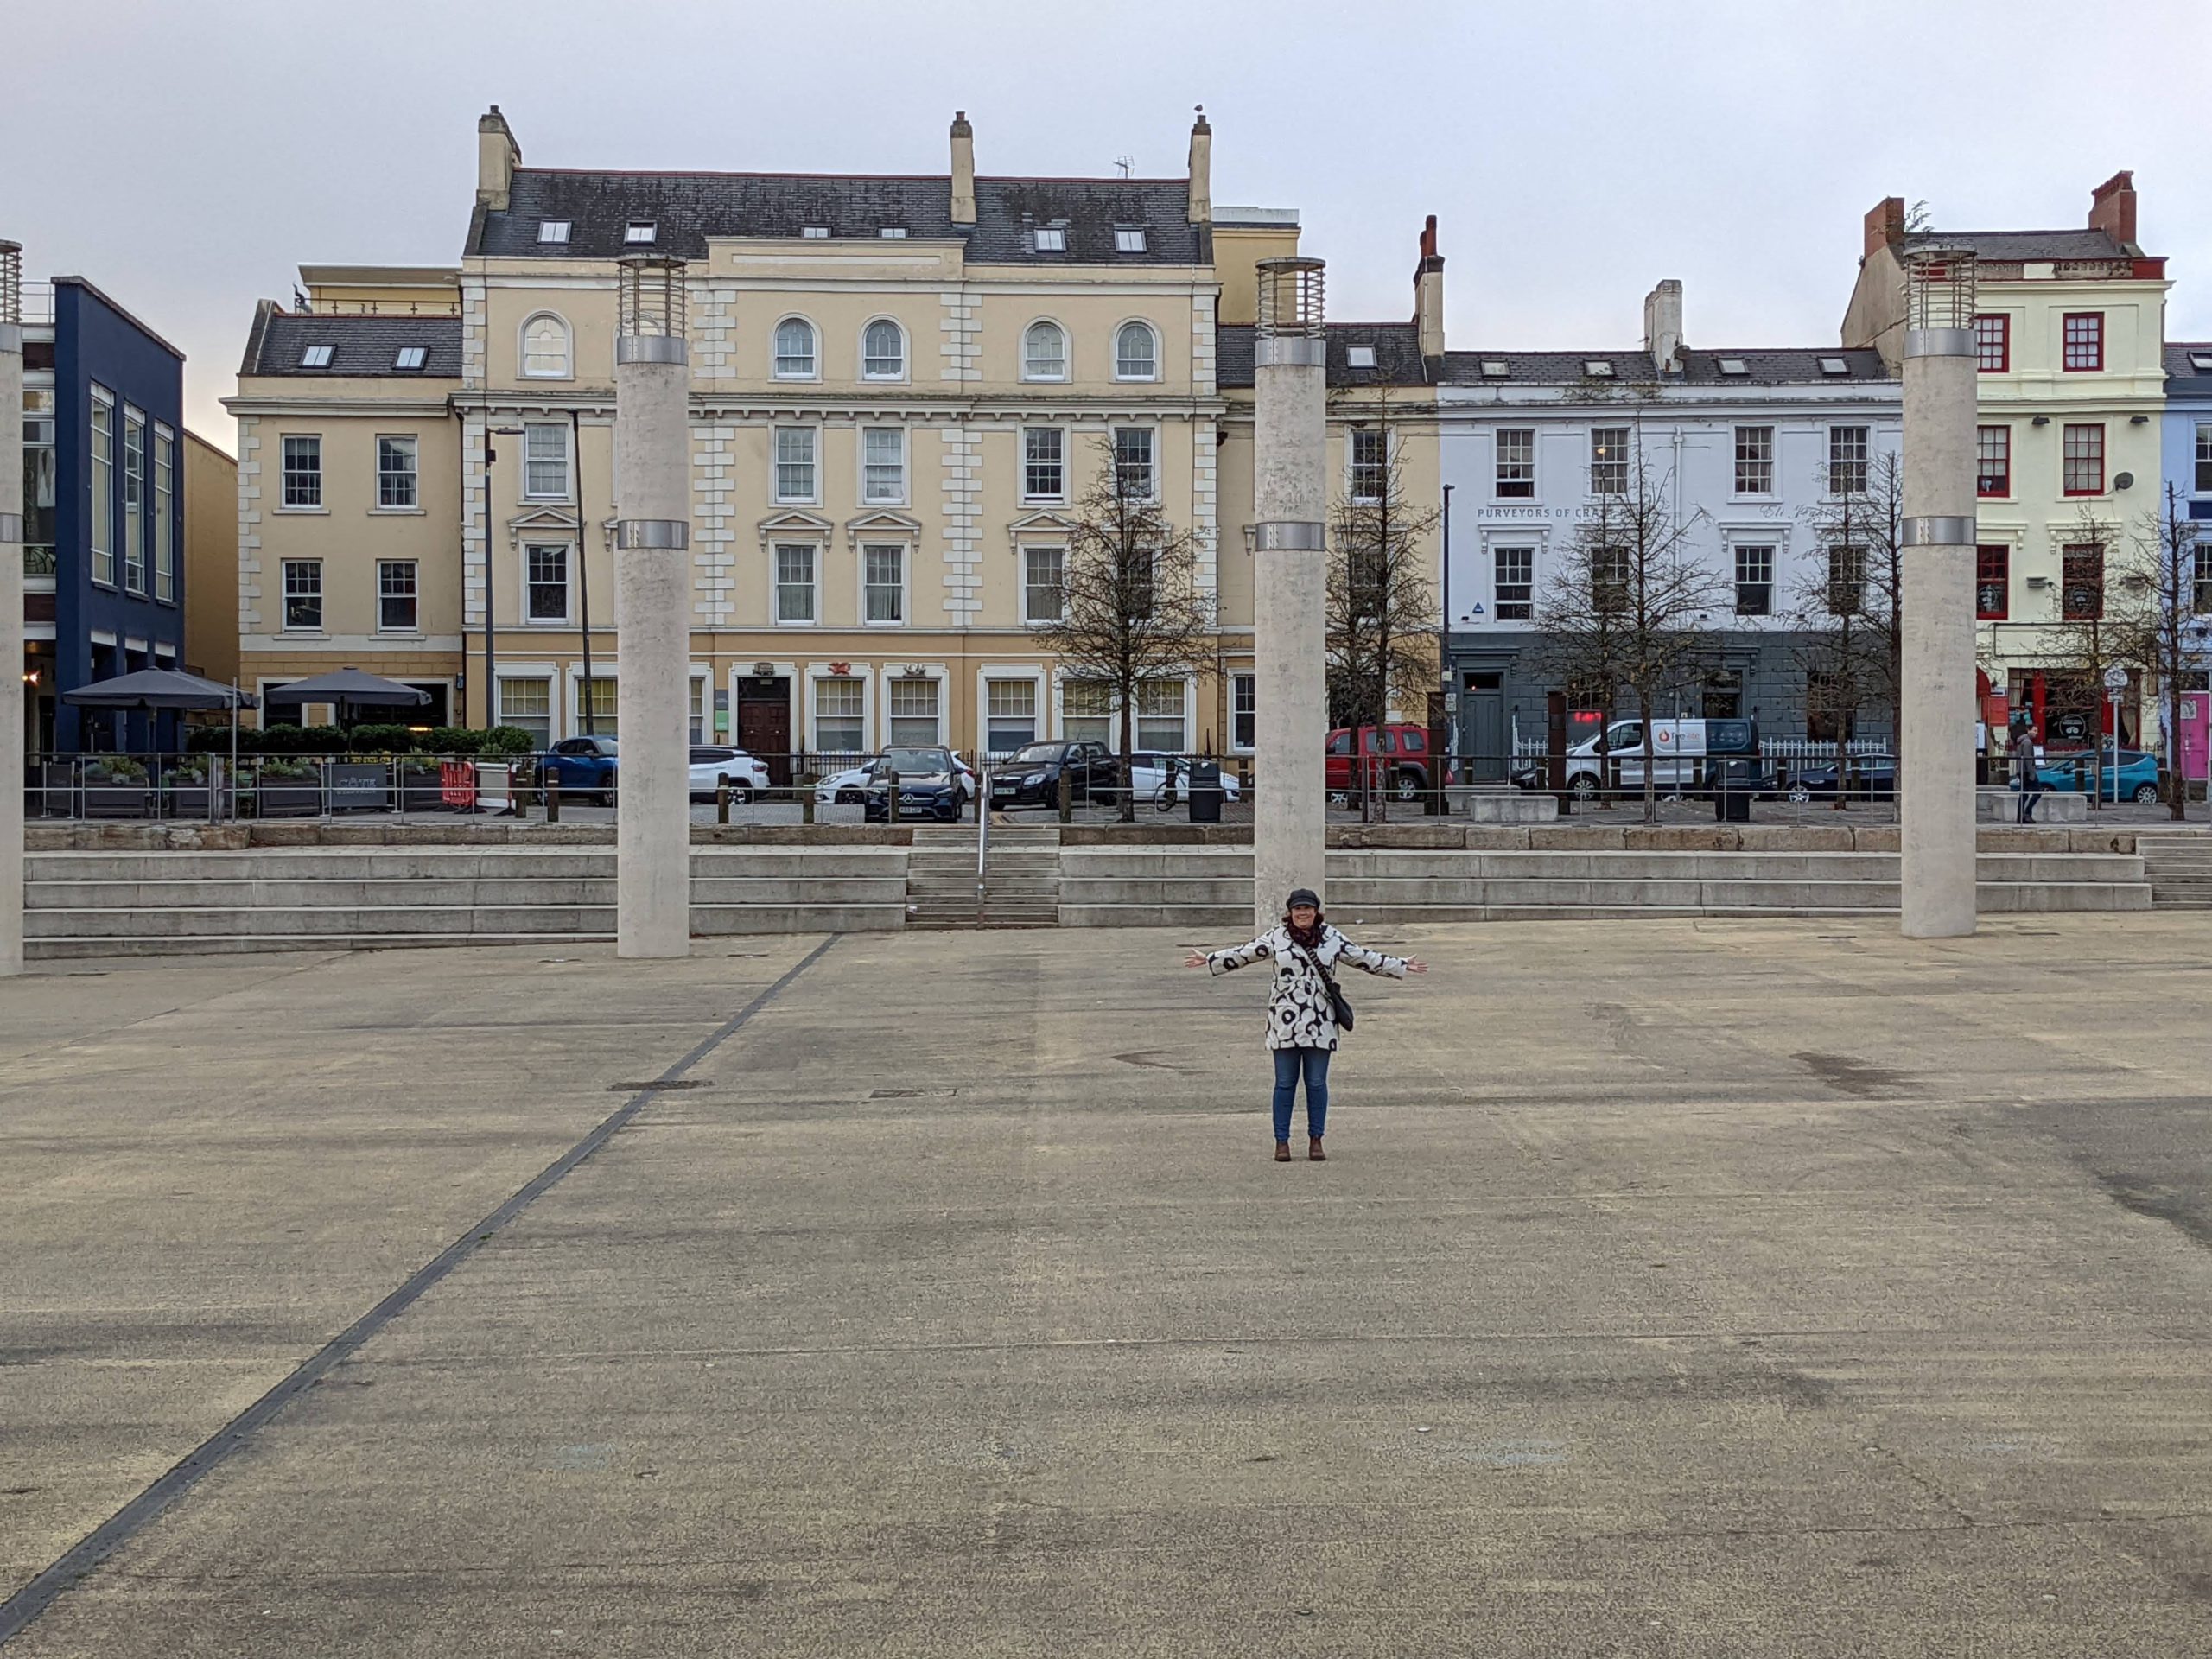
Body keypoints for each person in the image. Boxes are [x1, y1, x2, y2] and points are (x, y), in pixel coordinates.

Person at [1185, 887, 1427, 1162]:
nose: (1303, 913)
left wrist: (1400, 965)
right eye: (1298, 909)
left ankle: (1316, 1139)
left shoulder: (1332, 938)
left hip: (1320, 1020)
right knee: (1285, 1083)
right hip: (1284, 1021)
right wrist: (1211, 959)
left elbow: (1362, 957)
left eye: (1307, 908)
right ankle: (1282, 1142)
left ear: (1316, 911)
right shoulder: (1277, 937)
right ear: (1290, 912)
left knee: (1316, 1082)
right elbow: (1246, 953)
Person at [2012, 716, 2044, 824]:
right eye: (2034, 731)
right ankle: (2027, 813)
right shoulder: (2027, 742)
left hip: (2021, 771)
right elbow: (2027, 759)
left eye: (2037, 731)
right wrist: (2032, 774)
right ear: (2029, 730)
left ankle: (2020, 817)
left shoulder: (2021, 741)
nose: (2036, 733)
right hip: (2026, 772)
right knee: (2037, 792)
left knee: (2024, 794)